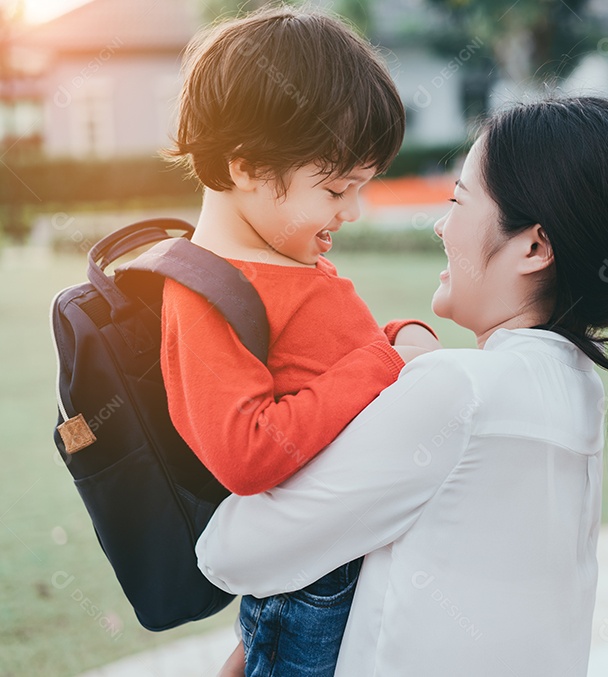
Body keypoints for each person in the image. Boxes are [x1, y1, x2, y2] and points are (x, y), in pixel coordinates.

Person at [196, 96, 608, 676]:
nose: (440, 223)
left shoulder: (458, 391)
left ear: (533, 247)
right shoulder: (575, 390)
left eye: (458, 200)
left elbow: (236, 552)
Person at [160, 7, 440, 676]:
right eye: (338, 188)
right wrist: (383, 361)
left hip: (343, 550)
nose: (351, 211)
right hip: (315, 588)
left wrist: (401, 335)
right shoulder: (207, 292)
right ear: (249, 166)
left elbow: (337, 356)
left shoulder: (287, 257)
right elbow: (248, 453)